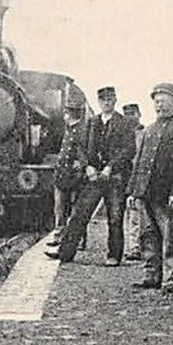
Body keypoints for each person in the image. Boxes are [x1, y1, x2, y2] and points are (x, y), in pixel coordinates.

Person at [50, 86, 135, 264]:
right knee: (80, 213)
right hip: (94, 176)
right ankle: (65, 252)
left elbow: (129, 150)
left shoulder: (124, 123)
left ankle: (113, 256)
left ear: (115, 101)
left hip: (115, 178)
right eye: (103, 100)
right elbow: (80, 148)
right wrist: (87, 165)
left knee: (115, 217)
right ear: (99, 102)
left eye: (110, 99)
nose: (106, 103)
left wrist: (111, 167)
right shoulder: (92, 123)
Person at [127, 82, 173, 293]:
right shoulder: (149, 130)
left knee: (171, 236)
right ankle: (151, 275)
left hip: (167, 195)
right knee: (148, 236)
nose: (160, 106)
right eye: (157, 102)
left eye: (164, 101)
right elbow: (139, 162)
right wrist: (133, 191)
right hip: (146, 193)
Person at [49, 85, 89, 243]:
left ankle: (78, 239)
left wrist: (82, 163)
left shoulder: (82, 130)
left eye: (66, 113)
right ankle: (59, 236)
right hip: (62, 174)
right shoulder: (68, 130)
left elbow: (87, 150)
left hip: (75, 176)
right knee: (59, 208)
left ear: (69, 114)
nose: (64, 116)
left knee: (76, 208)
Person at [122, 103, 146, 260]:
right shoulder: (123, 134)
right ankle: (133, 246)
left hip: (138, 178)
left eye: (133, 114)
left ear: (138, 115)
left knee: (135, 213)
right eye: (127, 115)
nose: (130, 117)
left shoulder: (144, 135)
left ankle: (135, 247)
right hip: (124, 178)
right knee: (128, 213)